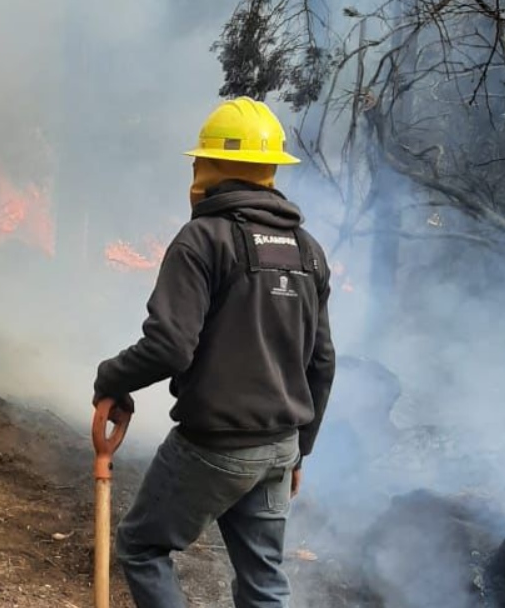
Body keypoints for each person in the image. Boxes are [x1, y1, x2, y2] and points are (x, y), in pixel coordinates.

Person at [92, 97, 336, 608]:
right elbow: (321, 361)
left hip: (216, 446)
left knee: (141, 545)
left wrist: (111, 377)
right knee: (264, 582)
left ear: (208, 166)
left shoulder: (203, 240)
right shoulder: (308, 251)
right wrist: (300, 450)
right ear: (270, 171)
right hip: (280, 446)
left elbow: (168, 347)